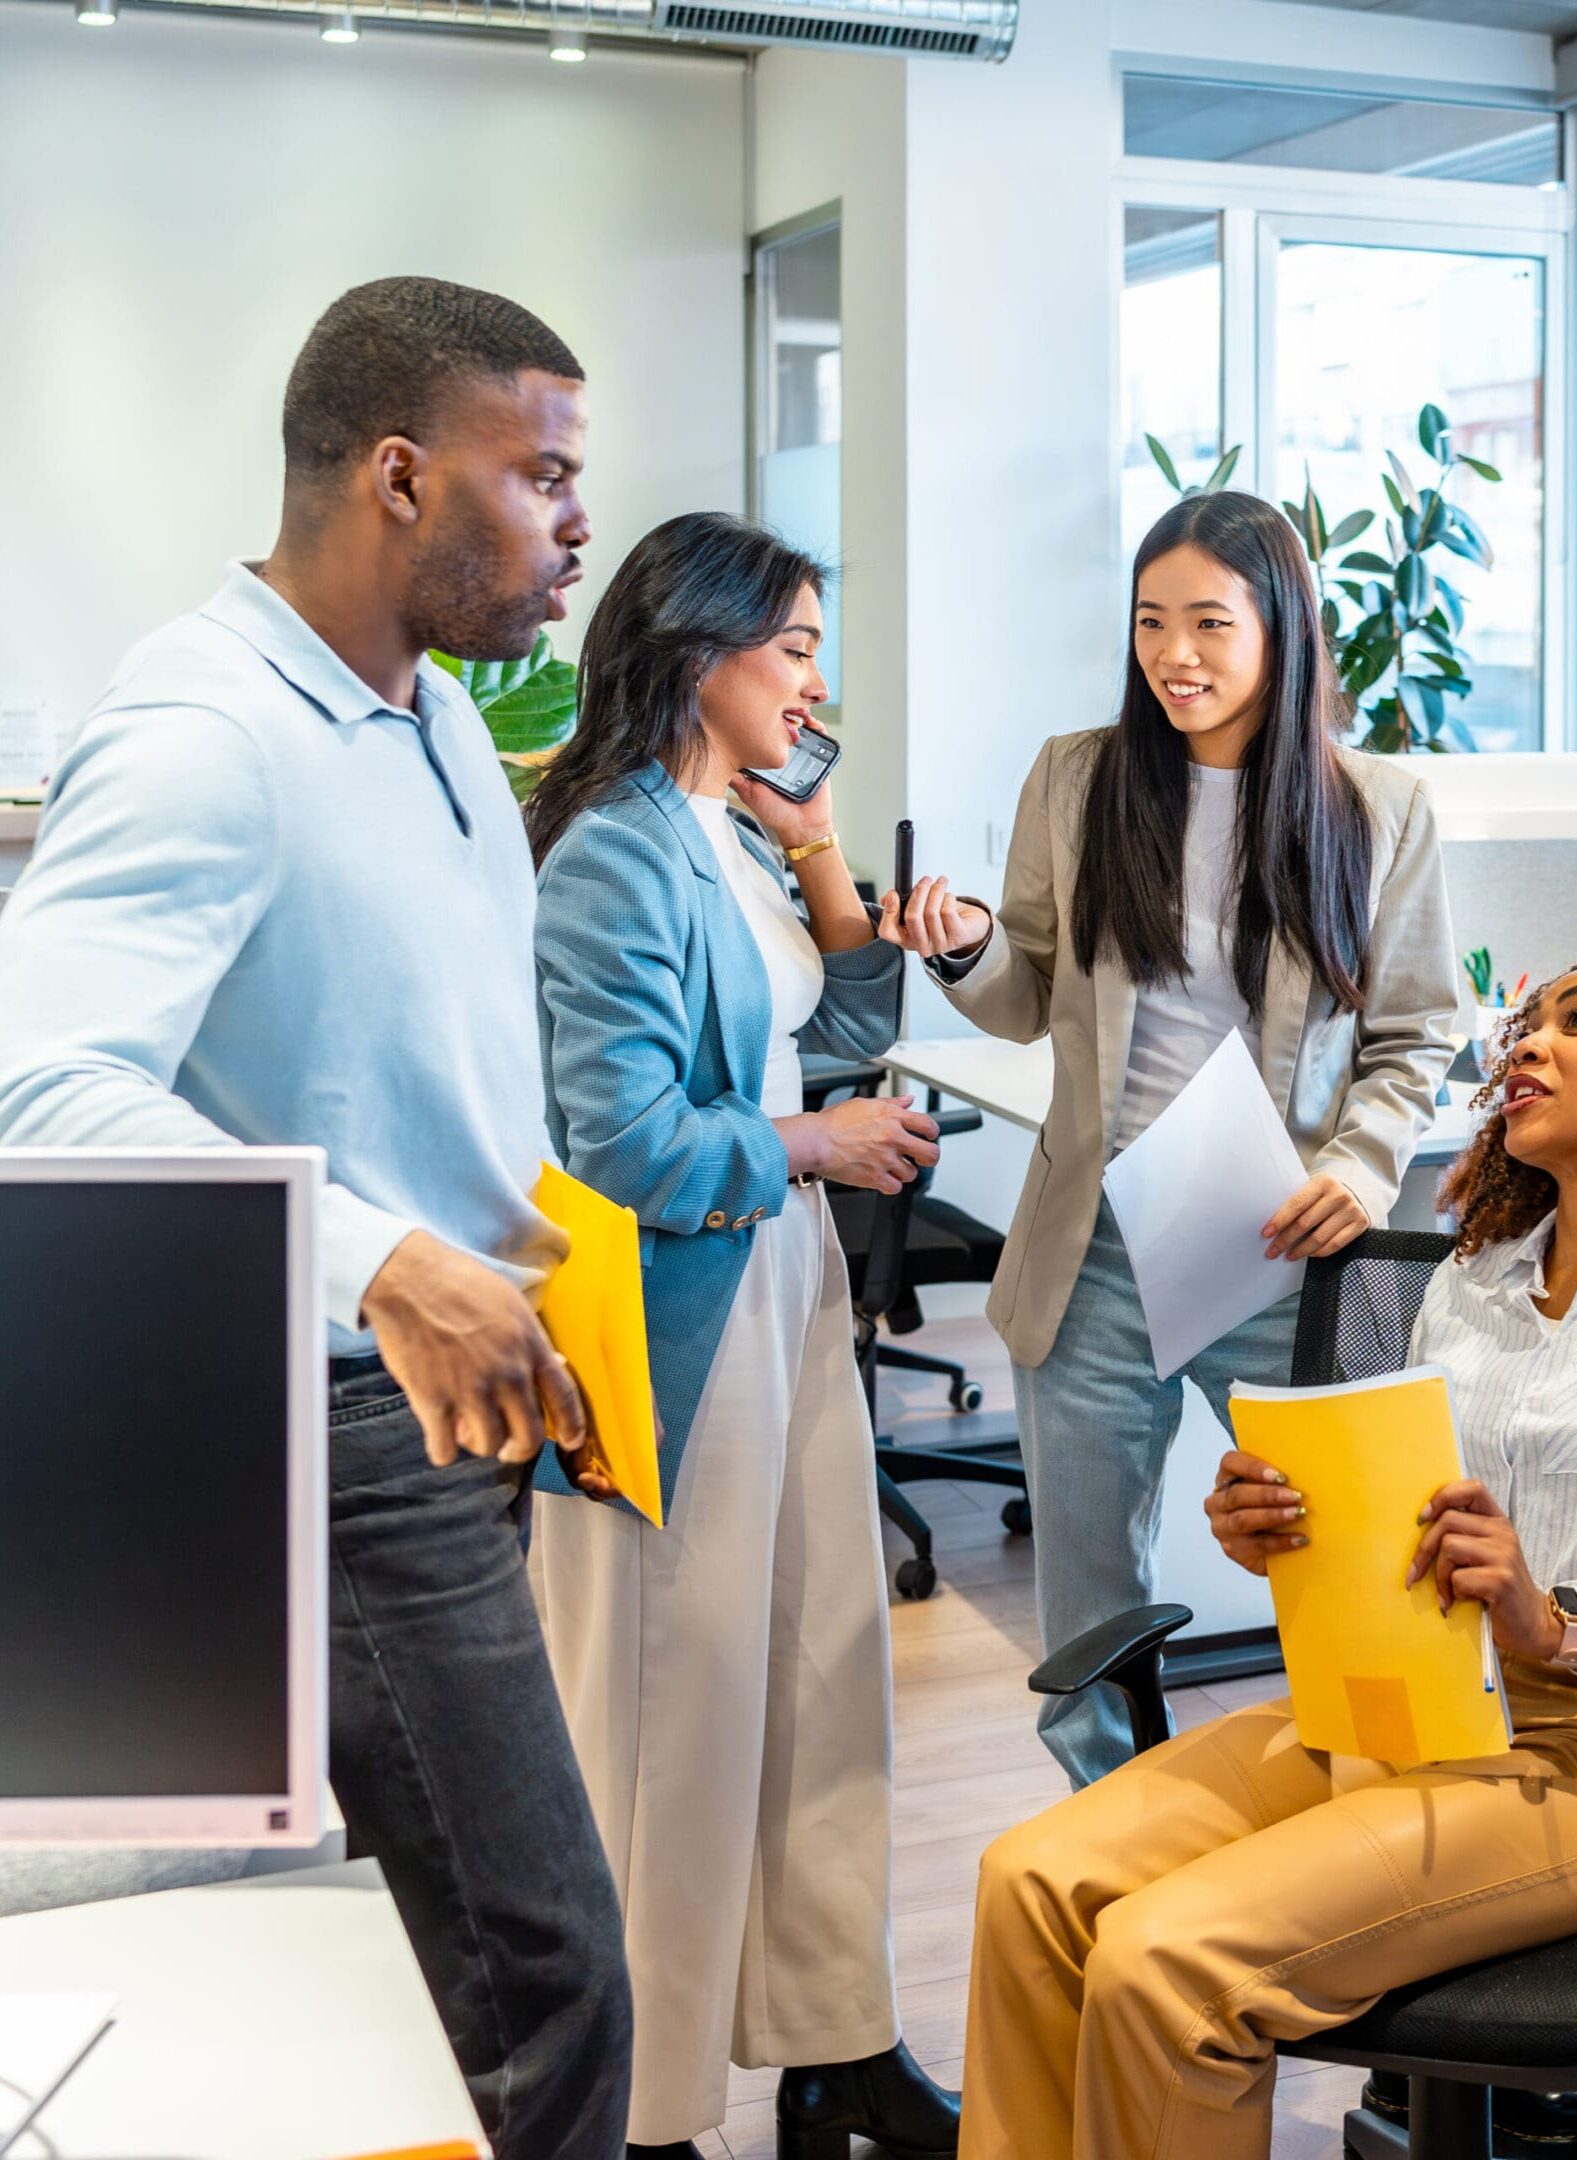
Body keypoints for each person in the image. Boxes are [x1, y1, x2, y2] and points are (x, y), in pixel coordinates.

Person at [951, 913, 1577, 2160]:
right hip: (1396, 1715)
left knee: (1164, 1960)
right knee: (1029, 1883)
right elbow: (1407, 1536)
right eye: (1528, 1026)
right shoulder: (1473, 1278)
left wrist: (1556, 1627)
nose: (1528, 1047)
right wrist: (1281, 1531)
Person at [0, 277, 632, 2156]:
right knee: (548, 1982)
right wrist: (390, 1263)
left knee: (436, 1981)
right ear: (400, 478)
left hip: (458, 1410)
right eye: (543, 475)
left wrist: (523, 1286)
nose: (577, 522)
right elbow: (35, 1090)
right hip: (339, 1434)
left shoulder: (436, 722)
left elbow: (424, 1074)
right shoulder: (204, 729)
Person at [875, 488, 1468, 1785]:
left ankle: (1374, 1817)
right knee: (1088, 1613)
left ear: (1281, 629)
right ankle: (1111, 1833)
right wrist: (966, 948)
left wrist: (1360, 1162)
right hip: (1096, 1243)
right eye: (1151, 622)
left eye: (1209, 622)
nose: (1174, 654)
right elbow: (1027, 994)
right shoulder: (1078, 777)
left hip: (1284, 1242)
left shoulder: (1379, 806)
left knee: (1351, 1563)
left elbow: (1420, 1027)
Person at [522, 512, 957, 2160]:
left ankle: (836, 2045)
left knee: (820, 1668)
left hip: (781, 1285)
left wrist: (825, 852)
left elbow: (839, 1020)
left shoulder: (734, 836)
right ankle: (637, 2113)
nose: (813, 685)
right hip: (669, 1322)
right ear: (697, 653)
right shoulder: (614, 854)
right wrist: (815, 1144)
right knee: (671, 1717)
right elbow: (621, 1139)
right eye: (792, 650)